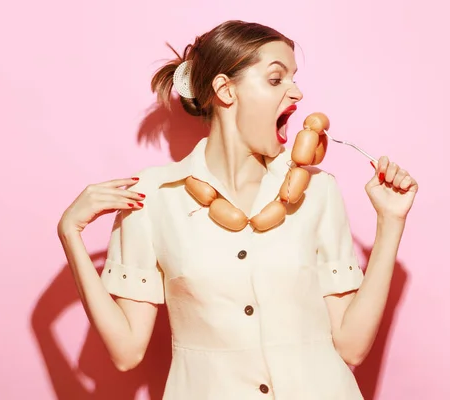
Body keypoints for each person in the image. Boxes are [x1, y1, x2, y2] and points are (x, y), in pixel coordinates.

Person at [57, 20, 418, 399]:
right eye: (276, 80)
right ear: (226, 90)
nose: (296, 92)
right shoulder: (153, 197)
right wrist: (71, 235)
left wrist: (390, 223)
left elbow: (351, 345)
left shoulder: (319, 190)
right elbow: (127, 351)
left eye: (294, 78)